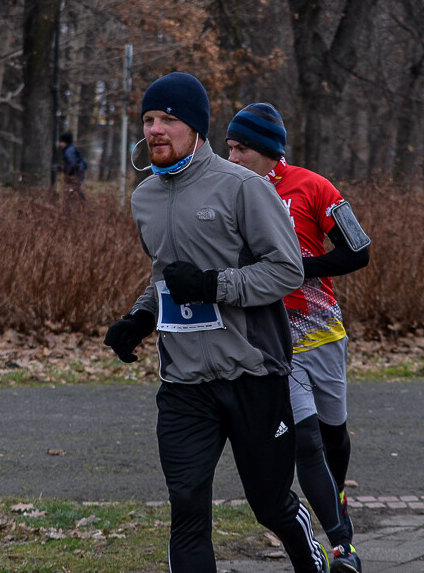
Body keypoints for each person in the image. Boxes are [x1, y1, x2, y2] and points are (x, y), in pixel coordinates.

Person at [104, 73, 330, 573]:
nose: (156, 129)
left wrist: (214, 286)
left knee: (270, 504)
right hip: (185, 383)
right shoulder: (145, 198)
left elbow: (287, 270)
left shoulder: (241, 187)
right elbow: (167, 274)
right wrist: (140, 317)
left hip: (253, 373)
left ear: (197, 128)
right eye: (148, 120)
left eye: (169, 119)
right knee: (187, 511)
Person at [226, 103, 371, 573]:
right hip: (271, 335)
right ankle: (342, 546)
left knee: (333, 435)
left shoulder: (314, 187)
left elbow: (359, 251)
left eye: (241, 148)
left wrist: (297, 270)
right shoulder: (228, 192)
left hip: (322, 330)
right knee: (305, 439)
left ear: (267, 151)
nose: (231, 157)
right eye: (228, 147)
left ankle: (338, 495)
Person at [58, 131, 87, 200]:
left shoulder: (69, 151)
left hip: (74, 175)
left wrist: (66, 170)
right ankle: (82, 206)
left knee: (72, 191)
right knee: (75, 190)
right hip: (78, 173)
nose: (60, 144)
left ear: (64, 142)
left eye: (61, 142)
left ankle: (80, 206)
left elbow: (72, 163)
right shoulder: (72, 149)